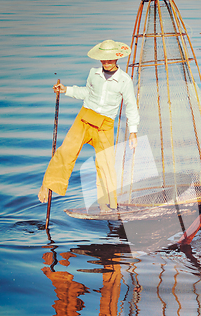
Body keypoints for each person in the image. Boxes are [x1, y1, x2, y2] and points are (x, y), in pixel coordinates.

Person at [38, 39, 139, 211]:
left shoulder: (124, 81)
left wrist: (133, 132)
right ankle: (48, 184)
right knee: (66, 151)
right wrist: (66, 90)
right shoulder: (94, 73)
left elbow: (131, 106)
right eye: (103, 59)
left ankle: (106, 204)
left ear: (116, 58)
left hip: (105, 124)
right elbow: (86, 92)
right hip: (84, 118)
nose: (106, 63)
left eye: (109, 59)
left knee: (105, 164)